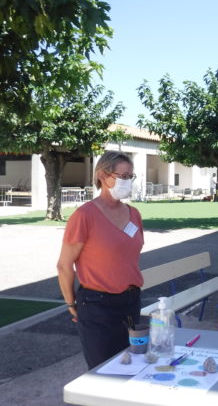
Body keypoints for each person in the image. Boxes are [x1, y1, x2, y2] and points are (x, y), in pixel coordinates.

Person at [56, 151, 144, 369]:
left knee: (132, 364)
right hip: (98, 306)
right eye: (123, 176)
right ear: (103, 176)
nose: (127, 182)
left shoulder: (134, 214)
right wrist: (70, 303)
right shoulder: (85, 216)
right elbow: (64, 265)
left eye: (130, 177)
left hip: (131, 302)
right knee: (103, 371)